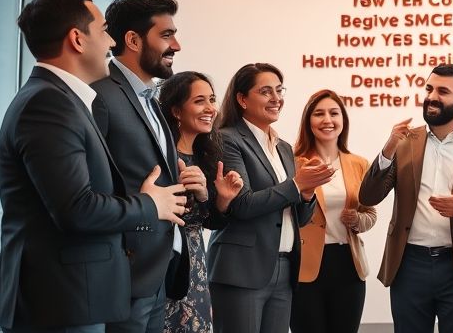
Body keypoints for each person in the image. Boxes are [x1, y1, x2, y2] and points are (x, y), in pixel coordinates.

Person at [0, 0, 187, 333]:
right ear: (77, 40)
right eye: (102, 31)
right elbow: (76, 209)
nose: (111, 43)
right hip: (61, 300)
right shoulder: (48, 104)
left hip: (77, 295)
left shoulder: (61, 99)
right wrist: (148, 204)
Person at [360, 64, 453, 333]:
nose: (432, 96)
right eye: (428, 88)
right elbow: (368, 196)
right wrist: (388, 148)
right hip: (409, 265)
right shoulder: (403, 142)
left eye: (442, 91)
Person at [90, 0, 203, 333]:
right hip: (124, 272)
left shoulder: (150, 100)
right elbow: (91, 186)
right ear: (133, 40)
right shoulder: (99, 94)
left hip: (159, 270)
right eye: (166, 35)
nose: (177, 46)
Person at [207, 63, 333, 333]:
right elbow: (242, 204)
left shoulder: (284, 148)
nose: (276, 98)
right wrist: (297, 184)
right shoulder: (227, 139)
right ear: (242, 99)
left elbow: (297, 217)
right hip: (242, 270)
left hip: (284, 267)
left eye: (279, 90)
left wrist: (307, 194)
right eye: (266, 92)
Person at [157, 71, 245, 333]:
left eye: (212, 99)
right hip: (164, 262)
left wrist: (221, 201)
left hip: (196, 265)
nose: (210, 108)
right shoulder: (162, 154)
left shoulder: (207, 154)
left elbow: (210, 222)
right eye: (199, 101)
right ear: (176, 110)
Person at [289, 90, 378, 333]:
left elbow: (370, 214)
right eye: (319, 114)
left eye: (334, 113)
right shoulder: (293, 162)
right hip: (305, 266)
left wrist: (358, 219)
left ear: (343, 120)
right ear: (309, 121)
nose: (327, 120)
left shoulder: (358, 163)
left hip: (348, 265)